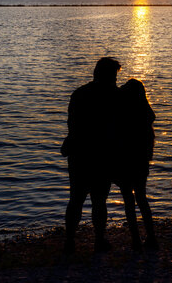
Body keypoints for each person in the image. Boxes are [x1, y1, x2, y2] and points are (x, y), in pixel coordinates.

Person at [62, 57, 122, 253]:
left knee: (76, 199)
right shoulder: (114, 95)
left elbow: (72, 124)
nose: (115, 79)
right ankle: (98, 240)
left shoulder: (79, 94)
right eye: (114, 75)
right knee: (99, 200)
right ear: (107, 75)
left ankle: (70, 241)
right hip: (101, 155)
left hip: (79, 154)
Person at [114, 78, 158, 251]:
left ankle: (136, 240)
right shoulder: (146, 118)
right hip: (141, 163)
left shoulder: (122, 116)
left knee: (129, 201)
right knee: (142, 199)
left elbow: (117, 142)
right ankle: (151, 238)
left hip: (125, 163)